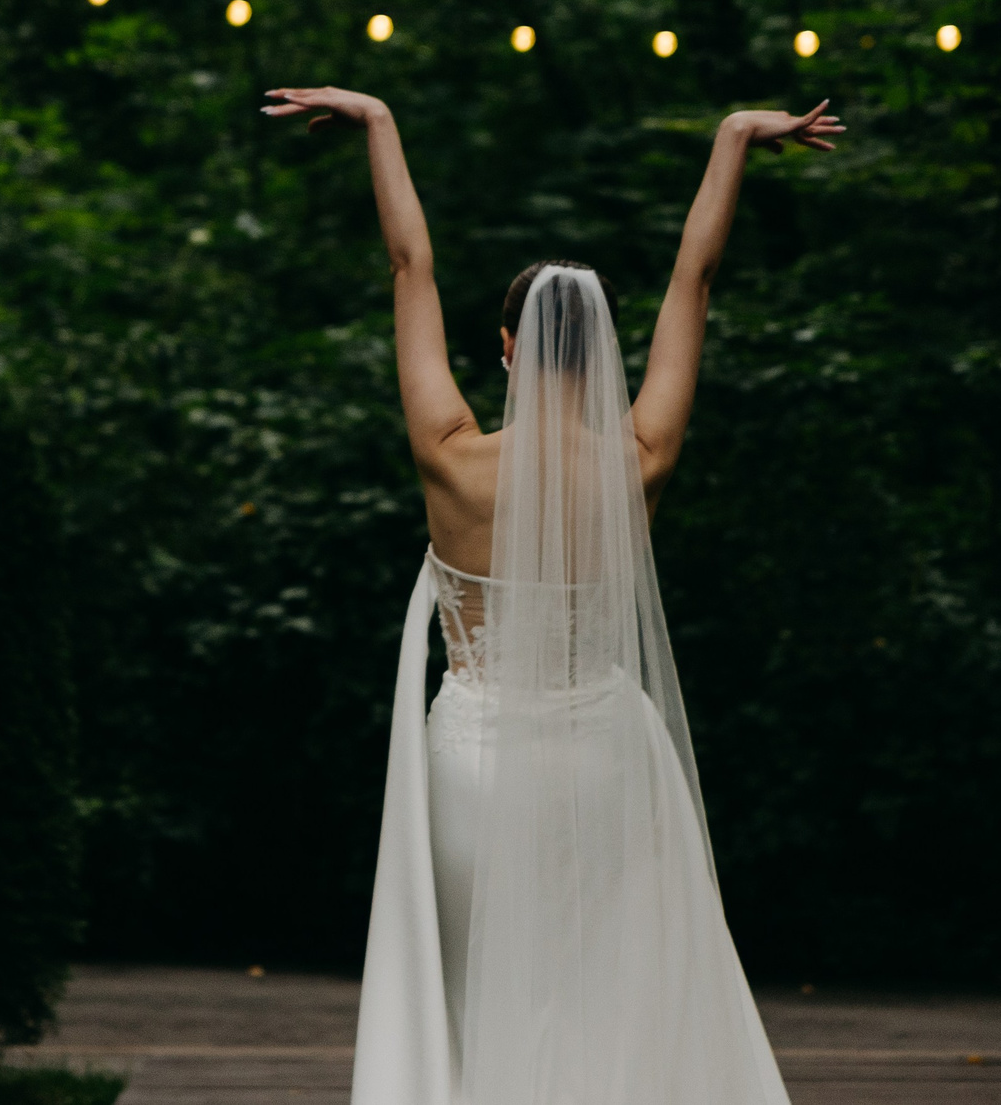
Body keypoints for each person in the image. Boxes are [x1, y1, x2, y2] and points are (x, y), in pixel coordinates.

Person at [261, 85, 844, 1105]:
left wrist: (382, 121)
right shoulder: (638, 456)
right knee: (601, 995)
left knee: (474, 993)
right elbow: (693, 279)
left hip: (474, 763)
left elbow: (409, 265)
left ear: (504, 348)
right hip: (603, 759)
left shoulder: (449, 456)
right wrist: (733, 139)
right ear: (603, 351)